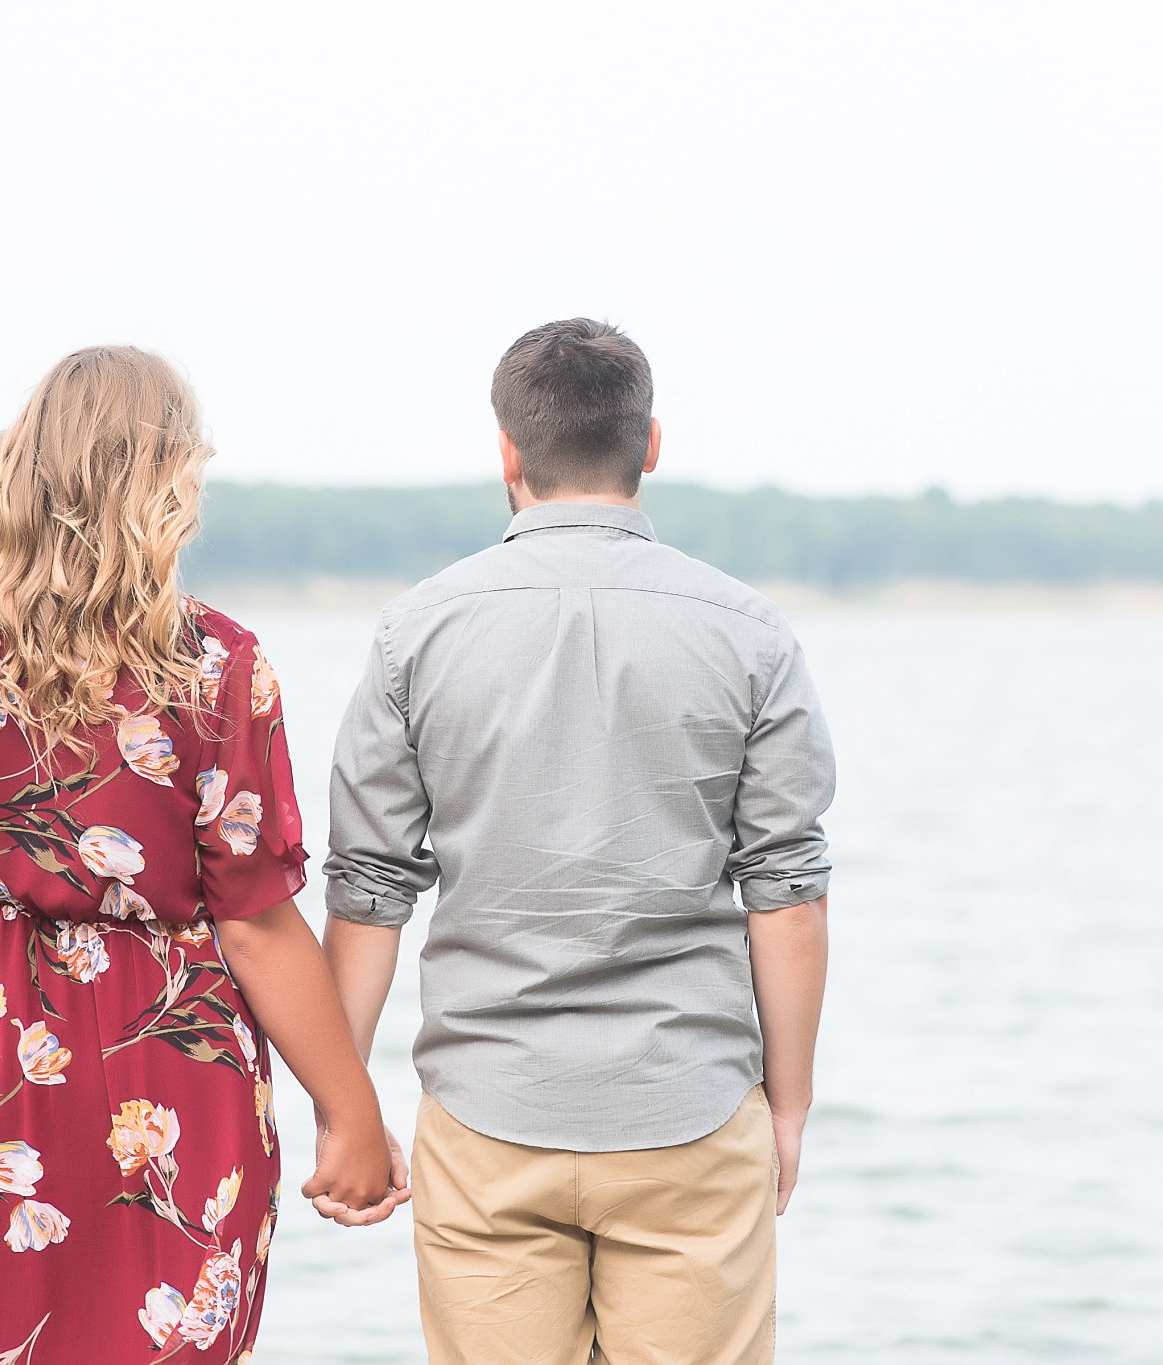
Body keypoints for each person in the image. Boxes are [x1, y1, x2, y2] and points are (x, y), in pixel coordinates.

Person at [0, 346, 398, 1365]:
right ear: (167, 484)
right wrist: (348, 1110)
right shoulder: (218, 664)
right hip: (176, 1067)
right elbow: (256, 921)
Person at [320, 319, 836, 1364]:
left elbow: (367, 888)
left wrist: (346, 1110)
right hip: (688, 1109)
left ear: (506, 452)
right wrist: (786, 1106)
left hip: (484, 1110)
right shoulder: (749, 632)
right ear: (649, 447)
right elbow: (784, 893)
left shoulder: (414, 632)